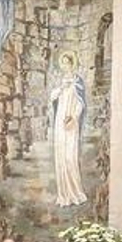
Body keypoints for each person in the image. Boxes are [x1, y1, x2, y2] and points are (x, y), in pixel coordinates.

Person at [49, 58, 88, 207]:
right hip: (60, 122)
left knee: (70, 158)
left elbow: (81, 103)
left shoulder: (78, 82)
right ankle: (64, 194)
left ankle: (75, 192)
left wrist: (73, 117)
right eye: (63, 63)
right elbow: (52, 97)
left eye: (67, 62)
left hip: (71, 123)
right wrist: (60, 88)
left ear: (72, 64)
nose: (65, 65)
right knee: (60, 157)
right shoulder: (61, 81)